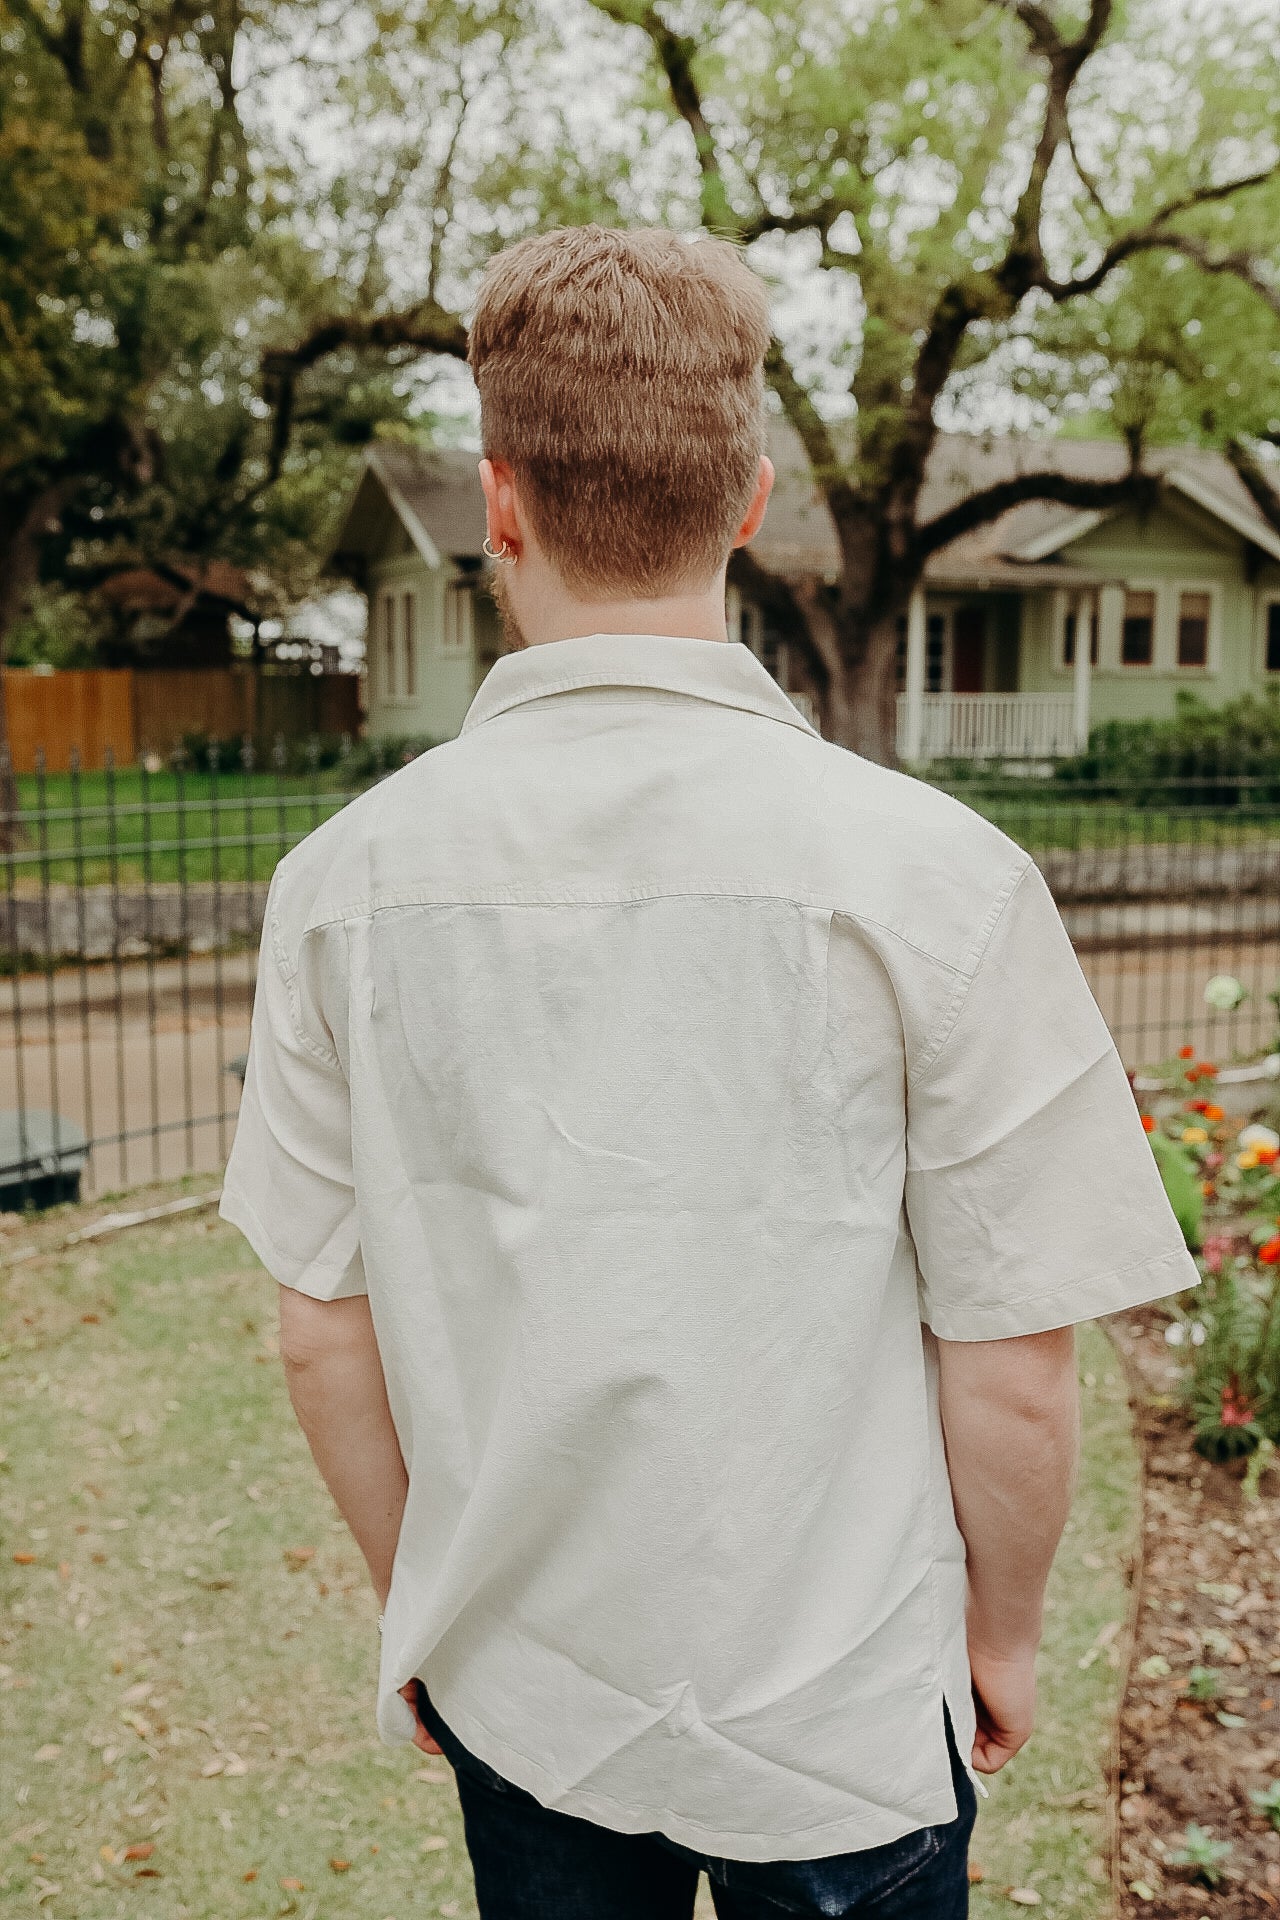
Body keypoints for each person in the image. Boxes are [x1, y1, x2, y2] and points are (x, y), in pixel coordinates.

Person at [220, 225, 1198, 1919]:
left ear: (498, 499)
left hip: (527, 1686)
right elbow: (1015, 1350)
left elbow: (321, 1325)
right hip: (842, 1710)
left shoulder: (341, 886)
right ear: (750, 501)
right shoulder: (942, 878)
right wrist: (1007, 1636)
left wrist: (422, 1605)